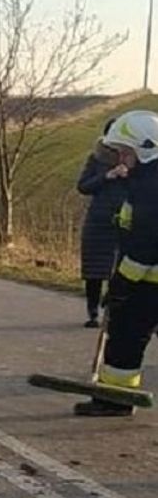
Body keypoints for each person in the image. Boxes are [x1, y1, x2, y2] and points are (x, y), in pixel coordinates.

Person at [73, 109, 158, 417]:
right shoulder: (142, 181)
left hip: (147, 282)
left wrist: (122, 284)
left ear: (144, 150)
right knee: (123, 338)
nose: (121, 158)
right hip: (144, 281)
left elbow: (146, 246)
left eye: (125, 152)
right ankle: (115, 398)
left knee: (126, 337)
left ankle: (115, 400)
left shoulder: (151, 188)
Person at [76, 119, 128, 327]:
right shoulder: (97, 158)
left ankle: (114, 312)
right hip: (98, 222)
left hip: (125, 221)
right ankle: (92, 312)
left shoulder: (136, 161)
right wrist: (108, 176)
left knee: (121, 271)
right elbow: (83, 186)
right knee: (94, 271)